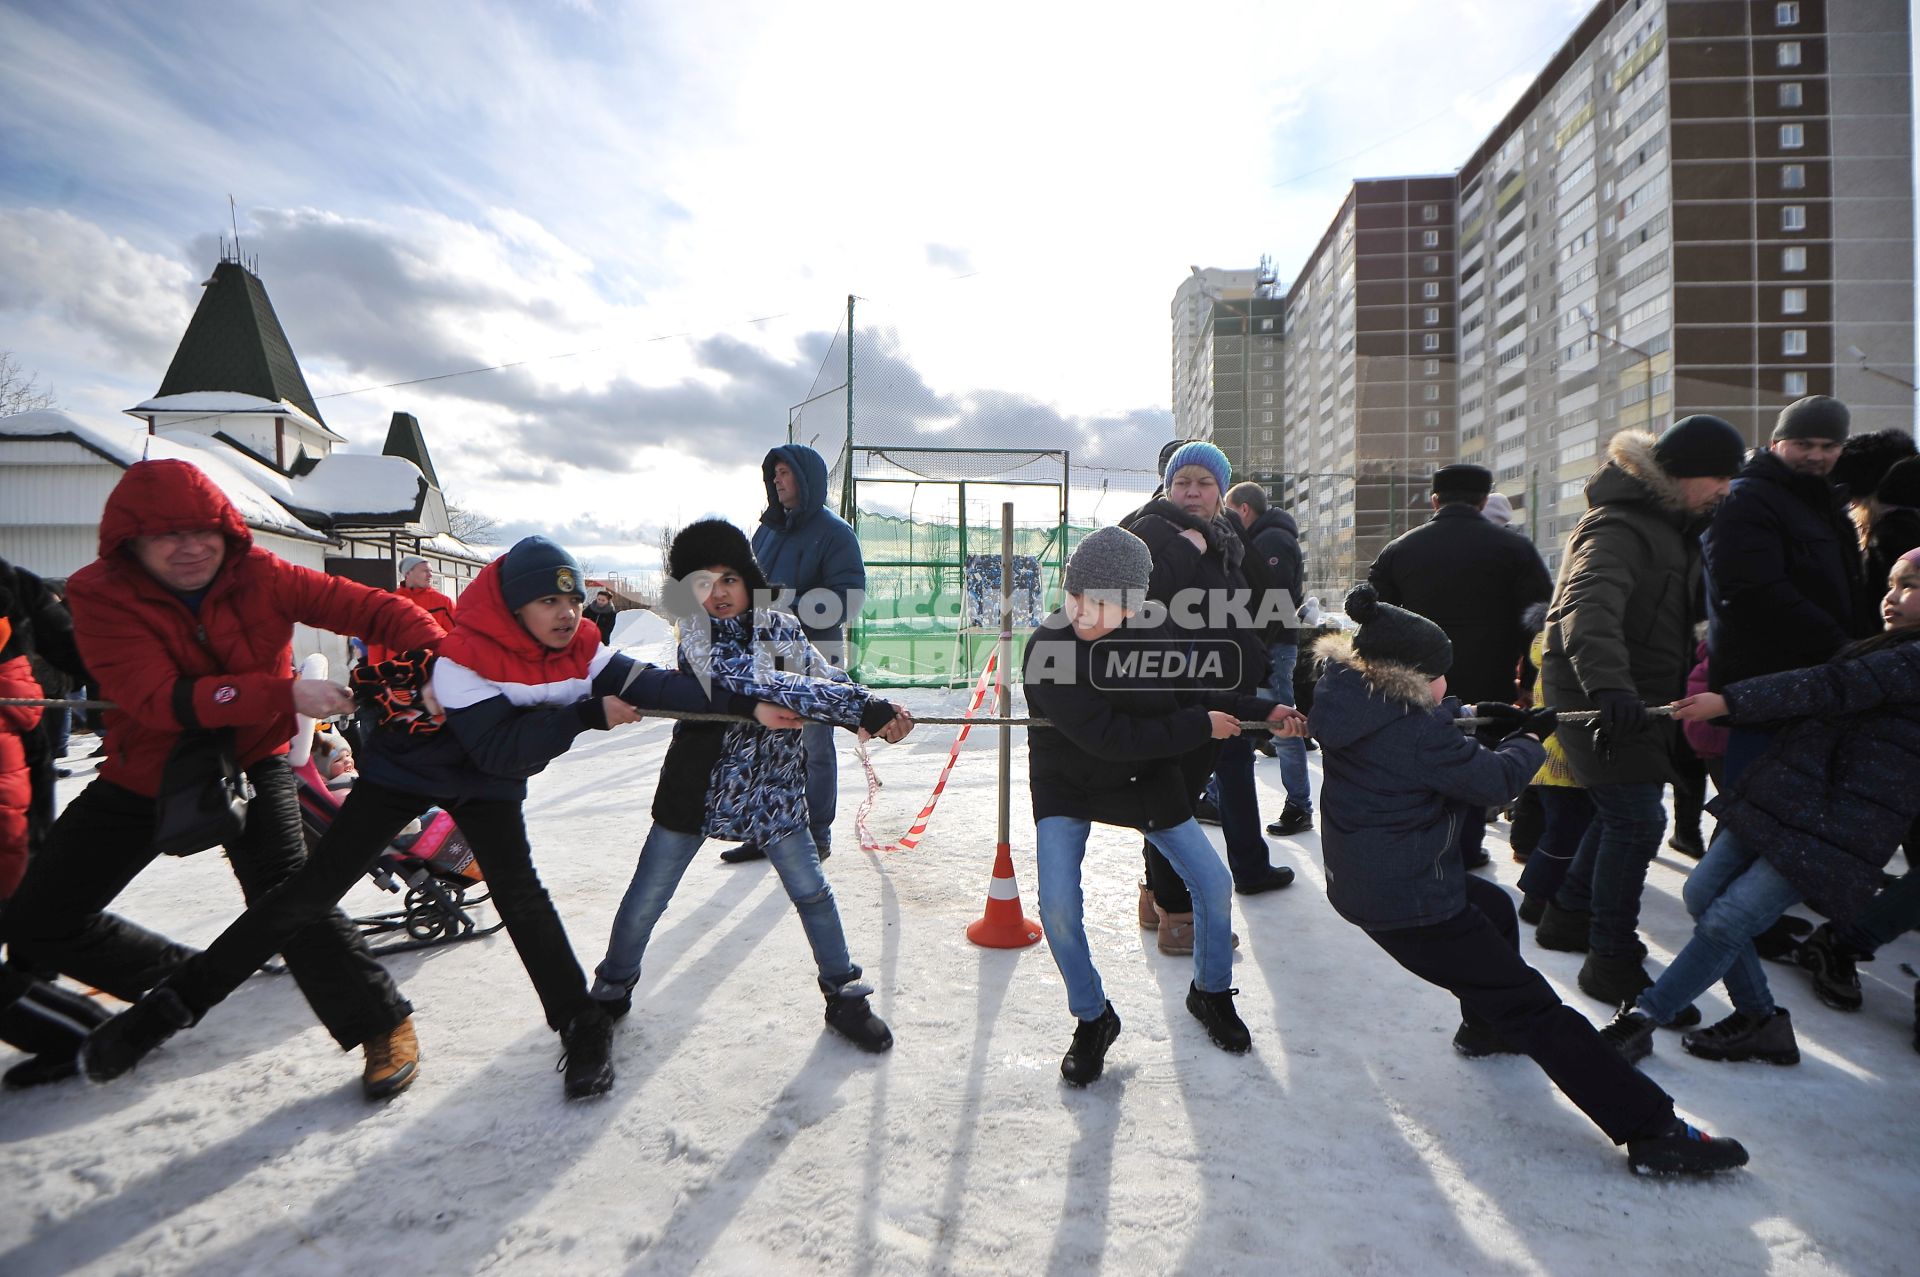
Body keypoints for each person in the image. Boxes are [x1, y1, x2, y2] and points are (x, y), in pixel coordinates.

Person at [78, 535, 774, 1100]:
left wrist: (752, 704)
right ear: (511, 606)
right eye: (546, 599)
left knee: (522, 896)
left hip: (488, 781)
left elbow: (655, 683)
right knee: (306, 894)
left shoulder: (581, 648)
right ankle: (168, 1008)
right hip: (413, 768)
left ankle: (582, 1024)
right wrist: (587, 715)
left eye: (570, 596)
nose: (565, 611)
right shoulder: (467, 657)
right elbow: (500, 746)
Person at [0, 459, 443, 1095]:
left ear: (227, 530)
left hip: (254, 754)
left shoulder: (262, 573)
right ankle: (172, 973)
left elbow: (374, 609)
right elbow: (156, 697)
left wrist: (431, 663)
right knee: (39, 915)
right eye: (166, 535)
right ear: (132, 544)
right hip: (146, 765)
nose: (189, 548)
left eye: (201, 531)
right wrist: (285, 692)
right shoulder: (98, 593)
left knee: (288, 895)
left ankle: (383, 1024)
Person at [1311, 582, 1745, 1176]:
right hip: (1410, 901)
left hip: (1373, 883)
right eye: (1441, 677)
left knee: (1489, 903)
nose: (1446, 687)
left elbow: (1427, 741)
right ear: (1411, 680)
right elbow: (1491, 782)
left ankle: (1486, 1024)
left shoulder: (1354, 702)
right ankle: (1651, 1129)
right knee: (1536, 1007)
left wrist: (1482, 721)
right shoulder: (1416, 731)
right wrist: (1526, 740)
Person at [589, 520, 911, 1052]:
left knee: (812, 892)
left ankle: (844, 996)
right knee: (649, 894)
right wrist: (856, 709)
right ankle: (609, 991)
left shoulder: (782, 626)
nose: (716, 594)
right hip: (698, 787)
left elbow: (818, 676)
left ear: (750, 578)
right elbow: (756, 681)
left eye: (728, 579)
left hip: (777, 792)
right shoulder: (696, 634)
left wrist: (875, 706)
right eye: (701, 583)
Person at [1600, 547, 1920, 1067]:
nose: (1892, 596)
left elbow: (1828, 687)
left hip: (1838, 827)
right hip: (1789, 799)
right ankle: (1762, 1020)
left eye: (1910, 585)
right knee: (1703, 893)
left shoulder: (1911, 659)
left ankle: (1642, 1019)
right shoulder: (1885, 647)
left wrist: (1731, 702)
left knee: (1729, 919)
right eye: (1892, 583)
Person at [1022, 527, 1304, 1085]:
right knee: (1056, 904)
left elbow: (1194, 693)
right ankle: (1092, 1017)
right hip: (1068, 781)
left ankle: (1211, 992)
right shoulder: (1049, 645)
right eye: (1075, 595)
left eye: (1101, 604)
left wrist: (1259, 710)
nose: (1082, 611)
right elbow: (1106, 736)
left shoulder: (1154, 631)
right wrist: (1197, 727)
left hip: (1143, 779)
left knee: (1214, 882)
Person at [1535, 417, 1747, 1010]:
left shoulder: (1670, 527)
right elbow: (1587, 609)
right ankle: (1610, 958)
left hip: (1635, 698)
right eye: (1719, 477)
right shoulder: (1621, 525)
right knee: (1636, 820)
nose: (1726, 489)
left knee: (1618, 812)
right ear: (1680, 474)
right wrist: (1609, 693)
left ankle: (1566, 917)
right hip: (1601, 700)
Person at [1124, 440, 1294, 935]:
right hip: (1170, 688)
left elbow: (1257, 599)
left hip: (1218, 686)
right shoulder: (1151, 529)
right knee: (1171, 798)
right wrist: (1185, 547)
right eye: (1183, 482)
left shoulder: (1224, 537)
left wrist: (1254, 651)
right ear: (1167, 486)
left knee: (1178, 793)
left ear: (1222, 492)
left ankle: (1155, 897)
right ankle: (1177, 912)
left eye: (1204, 483)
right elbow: (1139, 601)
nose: (1192, 492)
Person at [1368, 463, 1553, 870]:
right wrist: (1530, 682)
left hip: (1418, 684)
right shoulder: (1515, 549)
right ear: (1484, 500)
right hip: (1491, 680)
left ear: (1435, 500)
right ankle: (1467, 847)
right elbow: (1539, 623)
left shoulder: (1400, 549)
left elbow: (1373, 621)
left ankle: (1427, 847)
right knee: (1474, 765)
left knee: (1420, 764)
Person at [1702, 395, 1873, 788]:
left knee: (1789, 825)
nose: (1817, 456)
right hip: (1767, 691)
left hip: (1816, 688)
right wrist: (1841, 645)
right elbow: (1751, 590)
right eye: (1804, 444)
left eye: (1828, 446)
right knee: (1751, 819)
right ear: (1777, 444)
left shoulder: (1824, 504)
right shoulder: (1746, 498)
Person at [727, 443, 866, 864]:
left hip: (815, 655)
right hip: (766, 653)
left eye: (784, 473)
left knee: (814, 747)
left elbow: (850, 598)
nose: (777, 480)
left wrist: (787, 605)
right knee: (763, 744)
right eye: (774, 474)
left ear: (804, 480)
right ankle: (765, 829)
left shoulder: (835, 532)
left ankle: (816, 834)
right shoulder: (765, 532)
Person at [1222, 481, 1313, 835]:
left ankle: (1299, 805)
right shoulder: (1262, 538)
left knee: (1283, 725)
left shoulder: (1271, 541)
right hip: (1261, 646)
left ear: (1243, 509)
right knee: (1246, 720)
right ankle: (1218, 793)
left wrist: (1258, 651)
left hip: (1271, 647)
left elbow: (1272, 602)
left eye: (1229, 510)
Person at [366, 555, 457, 665]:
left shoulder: (444, 603)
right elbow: (377, 643)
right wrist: (375, 673)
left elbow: (456, 638)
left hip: (432, 671)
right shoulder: (389, 603)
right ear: (408, 573)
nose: (430, 575)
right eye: (424, 571)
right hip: (397, 672)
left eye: (430, 571)